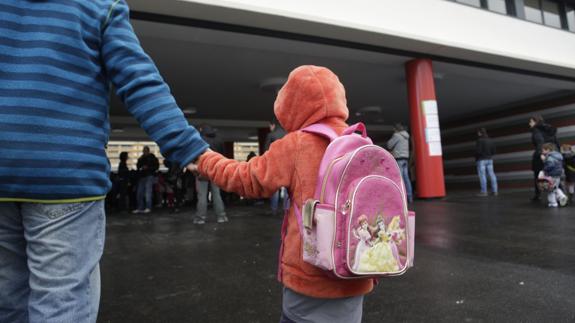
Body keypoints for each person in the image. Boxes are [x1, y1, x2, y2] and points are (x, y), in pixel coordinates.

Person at [0, 1, 208, 322]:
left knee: (8, 299)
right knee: (61, 302)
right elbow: (139, 81)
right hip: (66, 178)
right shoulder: (97, 5)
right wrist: (189, 149)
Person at [190, 66, 372, 323]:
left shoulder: (298, 144)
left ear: (292, 103)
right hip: (356, 270)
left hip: (310, 279)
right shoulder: (360, 140)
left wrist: (206, 161)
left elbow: (247, 180)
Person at [194, 125, 227, 224]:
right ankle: (221, 217)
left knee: (202, 195)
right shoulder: (219, 139)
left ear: (201, 130)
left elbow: (195, 155)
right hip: (216, 170)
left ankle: (200, 218)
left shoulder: (198, 139)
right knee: (217, 194)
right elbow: (223, 155)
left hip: (202, 169)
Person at [529, 115, 559, 201]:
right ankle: (560, 194)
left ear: (535, 122)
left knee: (537, 175)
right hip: (554, 154)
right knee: (554, 175)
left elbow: (540, 143)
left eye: (531, 122)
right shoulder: (549, 129)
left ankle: (538, 194)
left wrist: (540, 154)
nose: (529, 124)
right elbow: (556, 142)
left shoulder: (536, 131)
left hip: (542, 155)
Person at [387, 123, 413, 202]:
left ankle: (401, 198)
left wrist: (393, 135)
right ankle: (410, 196)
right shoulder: (406, 136)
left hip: (399, 159)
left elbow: (389, 145)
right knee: (406, 178)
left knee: (399, 178)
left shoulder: (397, 135)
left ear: (396, 129)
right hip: (405, 158)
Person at [266, 119, 288, 214]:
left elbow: (266, 151)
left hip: (275, 164)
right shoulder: (288, 135)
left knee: (274, 188)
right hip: (287, 165)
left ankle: (274, 209)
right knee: (287, 188)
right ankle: (286, 209)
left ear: (273, 125)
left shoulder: (271, 135)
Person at [540, 143, 568, 208]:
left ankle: (553, 203)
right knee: (555, 187)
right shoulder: (558, 155)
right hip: (558, 175)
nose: (542, 152)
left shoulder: (549, 157)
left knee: (550, 190)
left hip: (551, 175)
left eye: (543, 150)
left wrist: (544, 162)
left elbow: (550, 165)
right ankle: (562, 196)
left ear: (548, 150)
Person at [133, 146, 159, 214]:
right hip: (142, 176)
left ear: (148, 151)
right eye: (144, 150)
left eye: (145, 150)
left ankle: (148, 207)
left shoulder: (153, 158)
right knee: (139, 193)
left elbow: (156, 167)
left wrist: (148, 167)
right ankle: (140, 208)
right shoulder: (141, 158)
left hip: (149, 175)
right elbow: (138, 166)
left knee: (148, 192)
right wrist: (141, 167)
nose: (144, 152)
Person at [475, 128, 498, 197]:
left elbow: (478, 151)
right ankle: (495, 191)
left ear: (480, 133)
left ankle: (484, 192)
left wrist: (476, 157)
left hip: (481, 160)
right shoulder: (490, 140)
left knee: (482, 175)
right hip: (490, 159)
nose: (478, 134)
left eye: (478, 133)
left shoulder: (479, 141)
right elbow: (494, 151)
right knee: (492, 174)